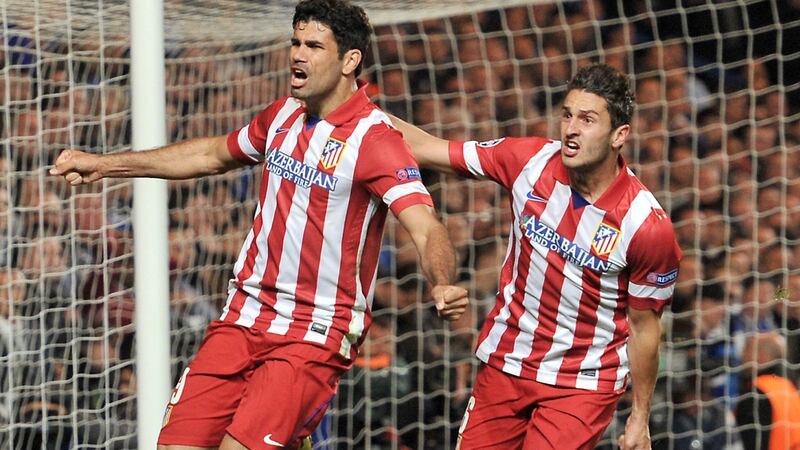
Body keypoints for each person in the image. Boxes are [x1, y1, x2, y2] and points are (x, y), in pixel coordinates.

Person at [49, 1, 469, 449]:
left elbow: (425, 224)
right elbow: (211, 155)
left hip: (312, 332)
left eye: (313, 45)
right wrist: (106, 165)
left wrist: (441, 281)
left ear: (350, 61)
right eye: (295, 42)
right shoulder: (283, 115)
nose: (297, 55)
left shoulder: (377, 141)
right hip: (242, 317)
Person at [391, 63, 682, 450]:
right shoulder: (528, 160)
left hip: (581, 385)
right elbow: (430, 148)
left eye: (587, 119)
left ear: (619, 135)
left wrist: (639, 417)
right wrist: (352, 109)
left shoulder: (647, 226)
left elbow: (645, 327)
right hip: (506, 362)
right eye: (567, 115)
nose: (571, 129)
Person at [735, 331, 800, 450]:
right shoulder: (790, 388)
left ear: (761, 356)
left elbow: (751, 442)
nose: (742, 355)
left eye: (747, 349)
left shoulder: (757, 392)